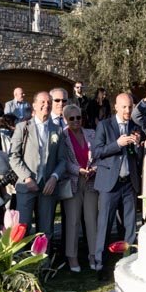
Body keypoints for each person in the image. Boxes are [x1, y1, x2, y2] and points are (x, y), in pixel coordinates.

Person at [92, 93, 143, 272]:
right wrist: (117, 144)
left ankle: (128, 264)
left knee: (129, 226)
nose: (127, 110)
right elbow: (97, 152)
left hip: (128, 183)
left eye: (130, 107)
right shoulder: (105, 126)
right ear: (116, 107)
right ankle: (100, 265)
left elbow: (136, 158)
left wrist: (137, 146)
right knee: (105, 225)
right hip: (109, 184)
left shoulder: (135, 127)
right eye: (124, 107)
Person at [9, 92, 67, 245]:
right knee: (22, 229)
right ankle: (19, 263)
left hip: (48, 187)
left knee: (45, 230)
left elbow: (62, 160)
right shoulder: (23, 127)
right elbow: (13, 156)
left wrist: (54, 177)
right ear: (34, 105)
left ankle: (43, 264)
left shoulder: (58, 130)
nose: (46, 105)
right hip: (26, 186)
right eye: (42, 102)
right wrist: (27, 178)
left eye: (49, 102)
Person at [61, 104, 97, 273]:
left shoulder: (91, 133)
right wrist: (77, 170)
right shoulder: (62, 136)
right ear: (65, 119)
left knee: (91, 220)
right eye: (72, 118)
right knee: (73, 221)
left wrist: (94, 168)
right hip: (73, 182)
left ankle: (93, 255)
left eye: (78, 117)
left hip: (90, 181)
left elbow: (97, 154)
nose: (76, 121)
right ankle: (72, 256)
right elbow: (62, 160)